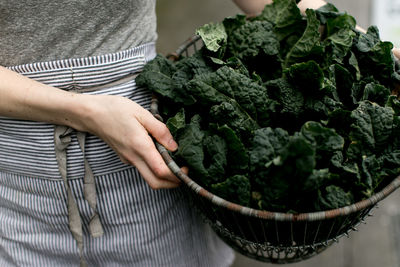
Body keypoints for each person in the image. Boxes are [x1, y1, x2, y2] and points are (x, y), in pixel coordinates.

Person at [0, 0, 394, 266]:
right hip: (20, 185)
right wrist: (84, 110)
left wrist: (365, 41)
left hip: (158, 167)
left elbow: (278, 5)